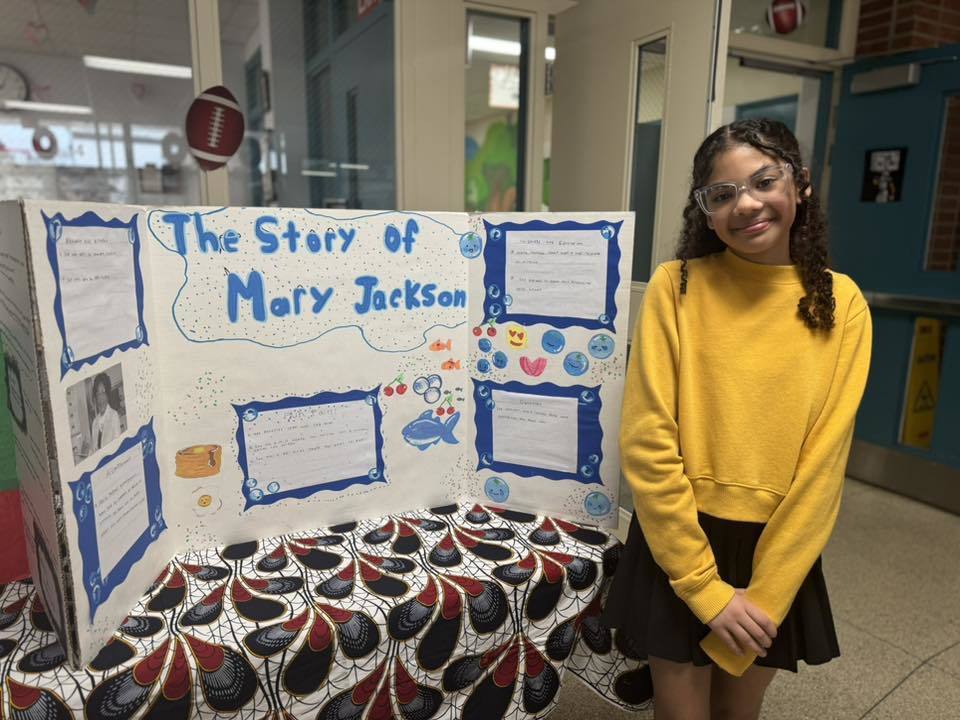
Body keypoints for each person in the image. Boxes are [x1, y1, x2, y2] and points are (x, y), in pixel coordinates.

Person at [602, 118, 872, 720]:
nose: (745, 205)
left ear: (799, 185)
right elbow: (647, 439)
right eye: (721, 195)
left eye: (763, 181)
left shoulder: (841, 302)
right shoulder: (678, 286)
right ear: (705, 210)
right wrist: (703, 587)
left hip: (777, 549)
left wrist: (768, 592)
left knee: (738, 713)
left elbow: (824, 465)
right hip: (680, 538)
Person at [90, 373, 121, 451]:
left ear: (108, 394)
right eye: (97, 394)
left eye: (103, 392)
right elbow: (94, 450)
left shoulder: (114, 416)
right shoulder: (94, 423)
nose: (100, 398)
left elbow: (118, 448)